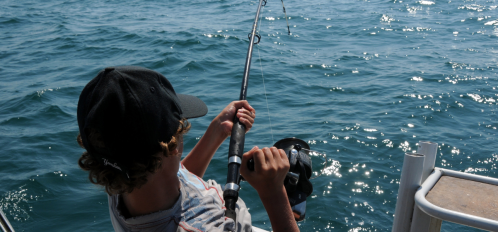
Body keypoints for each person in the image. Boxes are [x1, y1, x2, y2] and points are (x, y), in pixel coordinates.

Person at [76, 66, 299, 232]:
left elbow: (171, 178)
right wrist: (273, 194)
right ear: (173, 147)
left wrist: (217, 131)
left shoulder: (120, 177)